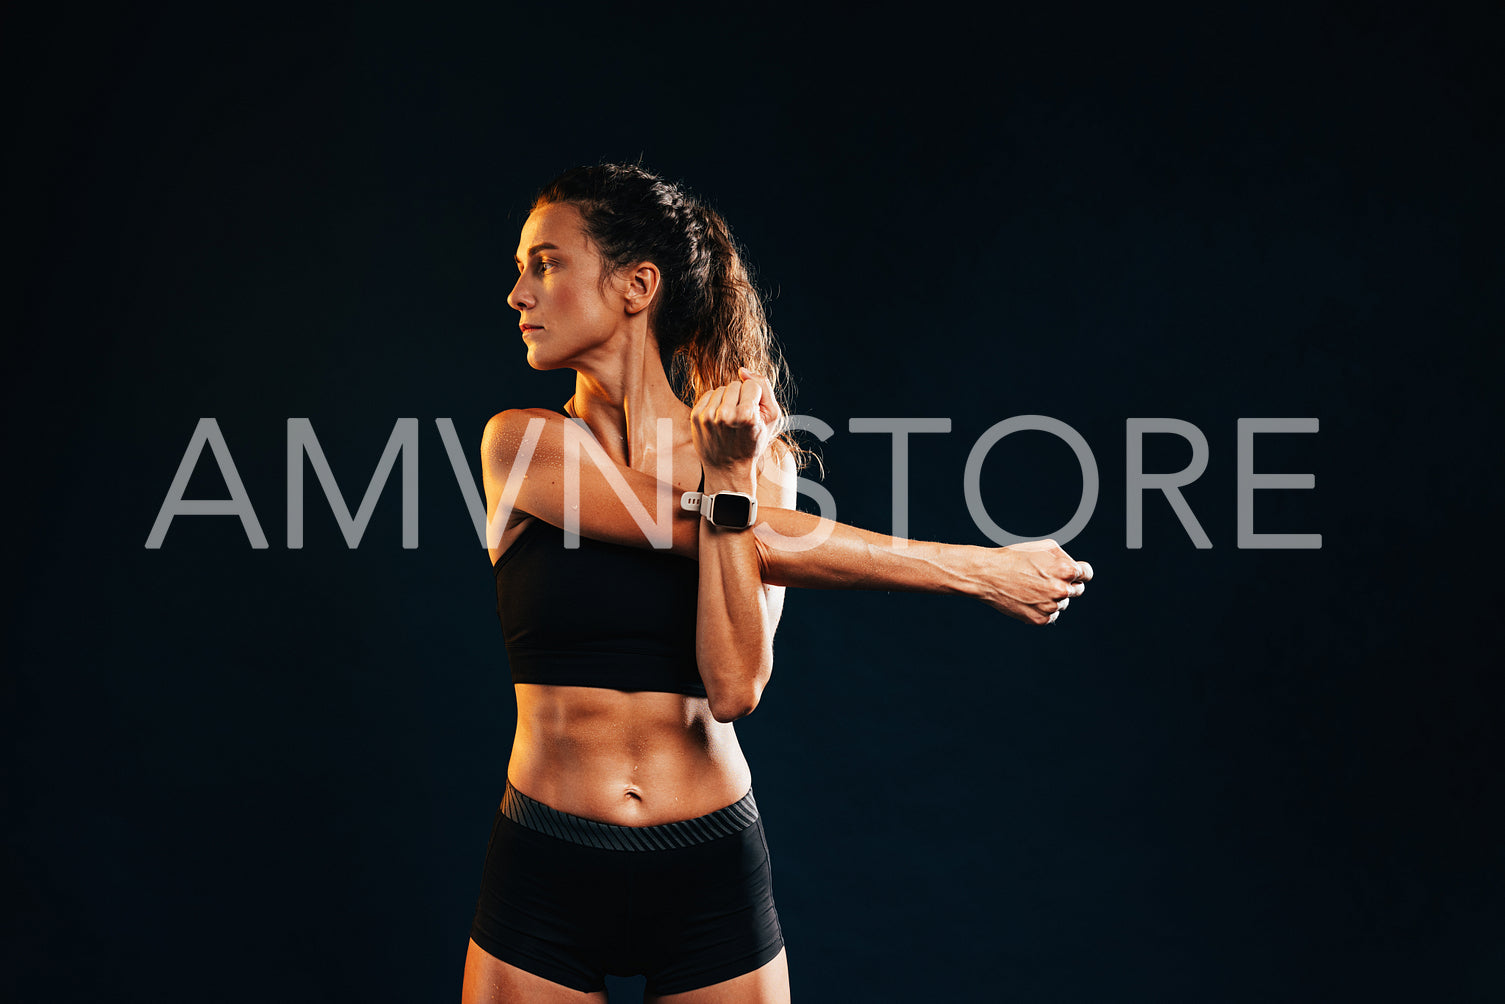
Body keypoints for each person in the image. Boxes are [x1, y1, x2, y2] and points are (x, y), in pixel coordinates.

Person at [464, 163, 1093, 1003]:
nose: (516, 292)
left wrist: (730, 476)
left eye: (544, 263)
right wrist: (973, 567)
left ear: (635, 285)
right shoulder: (522, 446)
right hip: (546, 859)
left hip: (708, 868)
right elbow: (695, 525)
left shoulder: (760, 468)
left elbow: (734, 687)